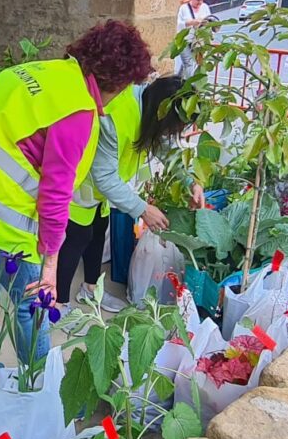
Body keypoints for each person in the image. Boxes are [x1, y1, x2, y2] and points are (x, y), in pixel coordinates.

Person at [0, 20, 154, 407]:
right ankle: (42, 396)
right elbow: (56, 194)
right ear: (117, 80)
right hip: (0, 217)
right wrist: (50, 264)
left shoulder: (39, 72)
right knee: (32, 309)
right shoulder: (78, 111)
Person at [58, 76, 205, 304]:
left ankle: (90, 290)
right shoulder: (115, 117)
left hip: (97, 193)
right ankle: (58, 304)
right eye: (174, 127)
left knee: (97, 234)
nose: (173, 133)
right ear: (161, 115)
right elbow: (104, 177)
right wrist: (142, 209)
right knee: (75, 241)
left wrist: (190, 182)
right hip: (78, 184)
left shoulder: (149, 108)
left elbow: (165, 149)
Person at [174, 0, 209, 78]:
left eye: (201, 0)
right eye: (198, 0)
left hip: (198, 40)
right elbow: (178, 24)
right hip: (184, 40)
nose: (200, 3)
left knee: (197, 63)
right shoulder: (184, 8)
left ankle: (180, 80)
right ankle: (190, 86)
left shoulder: (205, 7)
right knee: (188, 62)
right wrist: (191, 22)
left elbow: (209, 20)